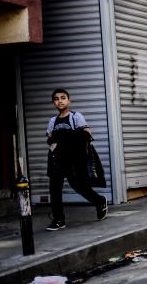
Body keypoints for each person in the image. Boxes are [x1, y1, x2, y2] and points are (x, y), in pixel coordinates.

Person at [45, 88, 107, 231]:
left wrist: (64, 137)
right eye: (56, 99)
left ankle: (99, 201)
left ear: (68, 100)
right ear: (53, 102)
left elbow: (87, 133)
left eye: (63, 98)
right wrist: (57, 142)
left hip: (73, 159)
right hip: (56, 158)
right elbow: (50, 139)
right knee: (54, 188)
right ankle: (59, 219)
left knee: (78, 186)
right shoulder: (52, 121)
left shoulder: (76, 116)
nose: (60, 101)